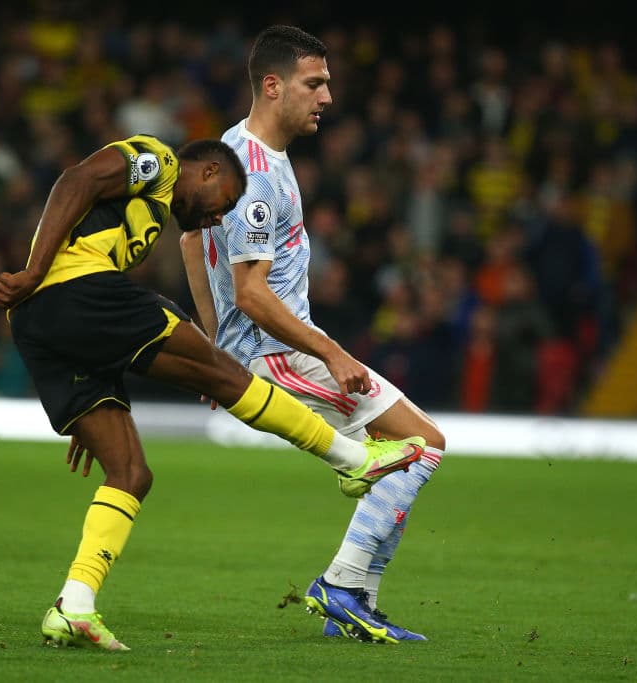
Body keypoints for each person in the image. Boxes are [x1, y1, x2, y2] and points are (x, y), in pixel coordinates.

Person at [0, 133, 424, 651]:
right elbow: (76, 179)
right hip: (69, 292)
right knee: (223, 371)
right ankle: (352, 458)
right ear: (209, 171)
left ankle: (74, 606)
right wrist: (34, 271)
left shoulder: (146, 222)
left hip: (43, 325)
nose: (220, 218)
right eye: (226, 204)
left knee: (130, 473)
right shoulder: (161, 162)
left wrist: (92, 374)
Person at [182, 25, 445, 643]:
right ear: (273, 86)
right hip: (281, 357)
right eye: (315, 83)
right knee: (423, 447)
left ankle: (355, 608)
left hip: (262, 354)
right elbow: (251, 292)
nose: (327, 96)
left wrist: (216, 351)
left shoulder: (231, 150)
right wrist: (328, 349)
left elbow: (192, 241)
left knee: (402, 456)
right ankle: (344, 588)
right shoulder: (255, 176)